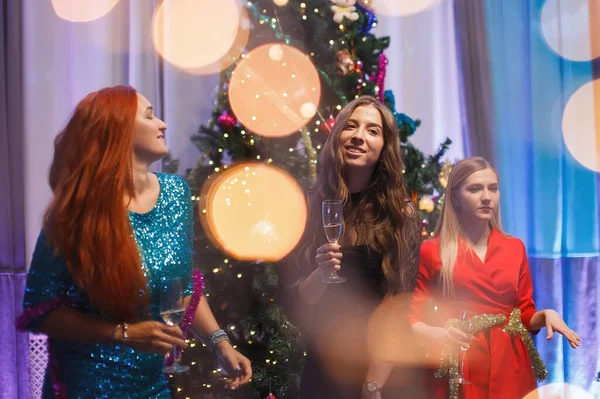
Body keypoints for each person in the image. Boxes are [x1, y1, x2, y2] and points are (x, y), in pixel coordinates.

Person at [17, 85, 252, 398]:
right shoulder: (75, 211)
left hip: (152, 387)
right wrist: (124, 334)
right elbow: (40, 311)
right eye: (150, 116)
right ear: (118, 131)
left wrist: (221, 344)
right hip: (86, 388)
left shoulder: (175, 194)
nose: (162, 125)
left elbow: (181, 290)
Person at [278, 95, 423, 399]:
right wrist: (320, 272)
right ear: (337, 136)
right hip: (324, 367)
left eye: (373, 131)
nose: (358, 137)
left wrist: (373, 384)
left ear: (385, 147)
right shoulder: (305, 206)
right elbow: (292, 304)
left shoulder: (402, 214)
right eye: (351, 127)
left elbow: (399, 305)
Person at [409, 156, 581, 399]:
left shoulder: (514, 247)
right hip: (461, 362)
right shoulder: (433, 250)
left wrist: (545, 316)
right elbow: (412, 317)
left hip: (511, 362)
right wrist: (436, 334)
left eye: (493, 188)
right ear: (456, 197)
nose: (487, 197)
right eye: (475, 189)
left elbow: (523, 313)